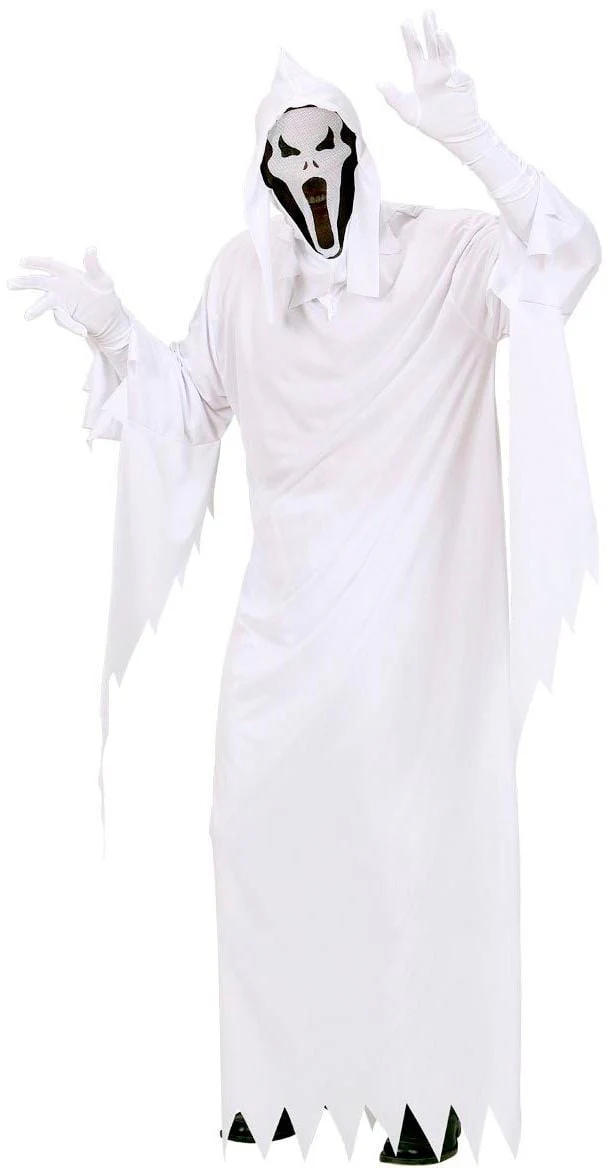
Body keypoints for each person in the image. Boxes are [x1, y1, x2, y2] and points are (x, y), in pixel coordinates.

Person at [8, 11, 600, 1165]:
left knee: (410, 859)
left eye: (329, 145)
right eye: (291, 153)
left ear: (358, 154)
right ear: (266, 172)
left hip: (415, 651)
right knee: (262, 843)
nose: (313, 168)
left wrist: (474, 139)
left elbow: (566, 257)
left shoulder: (446, 256)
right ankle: (274, 1087)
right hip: (282, 647)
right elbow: (186, 408)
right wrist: (116, 338)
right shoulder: (243, 280)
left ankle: (420, 1104)